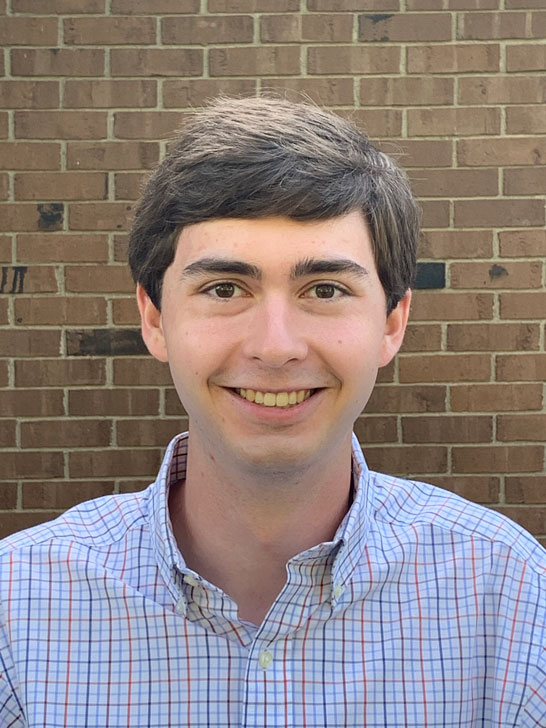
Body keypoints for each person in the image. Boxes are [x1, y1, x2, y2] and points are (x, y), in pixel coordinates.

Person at [1, 96, 544, 728]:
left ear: (392, 323)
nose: (276, 346)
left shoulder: (511, 599)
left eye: (325, 289)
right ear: (154, 319)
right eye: (224, 288)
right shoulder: (17, 612)